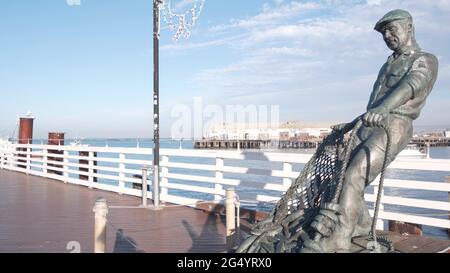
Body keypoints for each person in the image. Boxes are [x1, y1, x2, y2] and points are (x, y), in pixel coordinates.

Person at [307, 9, 439, 252]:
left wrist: (385, 108)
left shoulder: (425, 60)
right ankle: (362, 225)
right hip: (369, 125)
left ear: (409, 27)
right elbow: (374, 107)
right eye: (383, 32)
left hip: (395, 126)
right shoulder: (388, 63)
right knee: (343, 175)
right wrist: (349, 125)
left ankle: (340, 237)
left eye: (392, 29)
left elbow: (411, 86)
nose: (387, 35)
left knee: (354, 175)